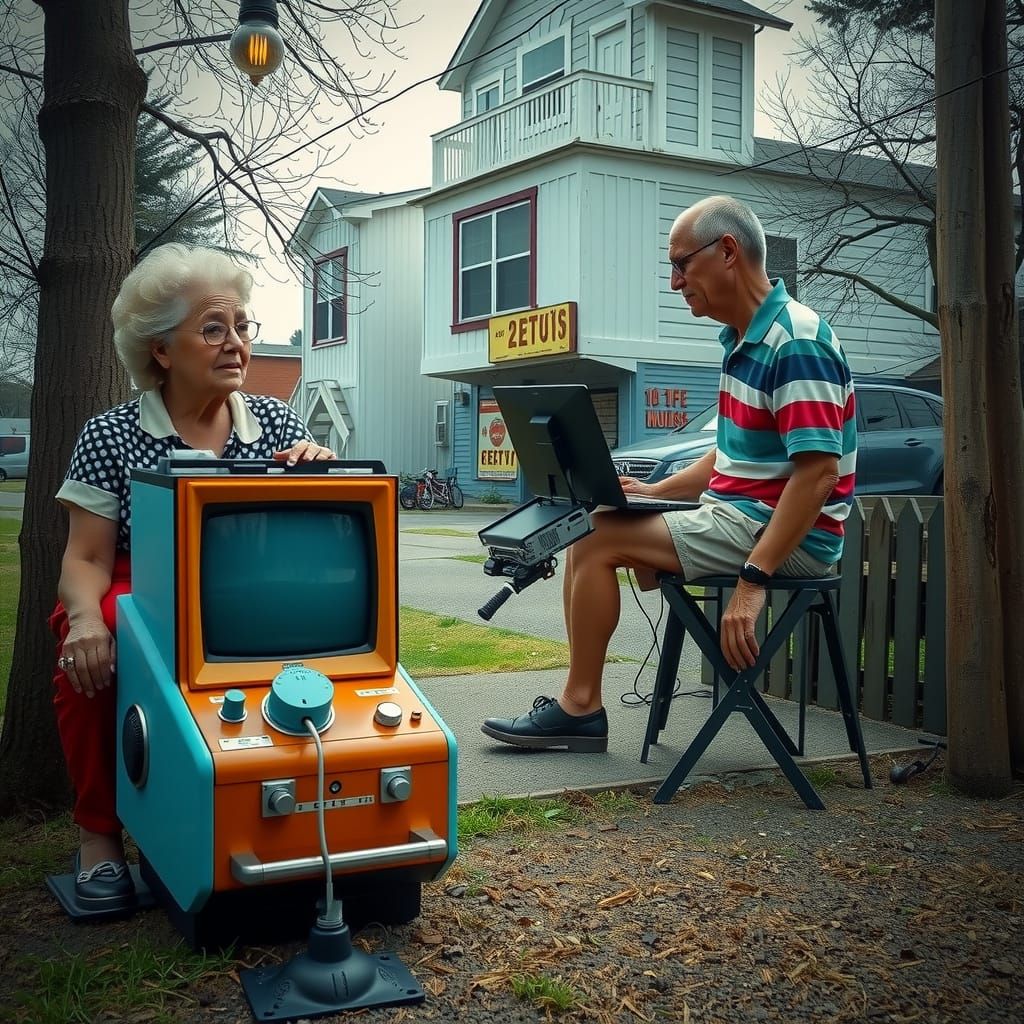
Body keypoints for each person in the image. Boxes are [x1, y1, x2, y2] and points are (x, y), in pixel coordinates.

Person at [482, 195, 856, 753]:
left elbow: (819, 473)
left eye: (682, 264)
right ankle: (578, 705)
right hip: (738, 516)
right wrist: (653, 493)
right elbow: (725, 455)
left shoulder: (795, 341)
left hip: (789, 535)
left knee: (597, 538)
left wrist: (753, 582)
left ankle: (580, 709)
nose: (676, 281)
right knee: (599, 517)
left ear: (727, 251)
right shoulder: (741, 340)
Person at [51, 243, 335, 907]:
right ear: (160, 350)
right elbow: (86, 557)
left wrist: (316, 466)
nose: (236, 343)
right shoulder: (110, 433)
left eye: (242, 324)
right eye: (213, 328)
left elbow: (307, 535)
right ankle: (98, 835)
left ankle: (277, 812)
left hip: (245, 583)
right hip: (139, 582)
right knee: (96, 648)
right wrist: (87, 618)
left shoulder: (276, 422)